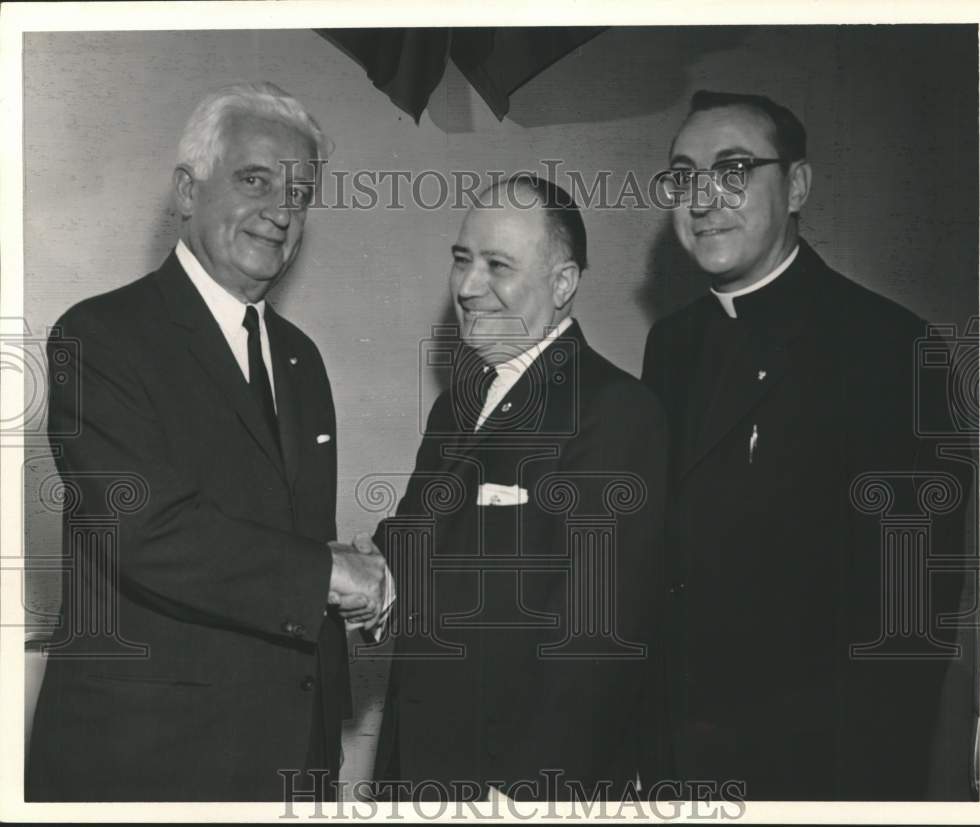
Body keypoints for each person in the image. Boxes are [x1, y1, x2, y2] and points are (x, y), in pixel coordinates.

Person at [26, 81, 387, 802]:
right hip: (148, 764)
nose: (282, 212)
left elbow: (290, 543)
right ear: (188, 192)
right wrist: (331, 572)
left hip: (291, 761)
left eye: (300, 194)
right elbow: (146, 532)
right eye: (255, 180)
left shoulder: (301, 358)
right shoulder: (98, 337)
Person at [641, 90, 972, 800]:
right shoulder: (670, 344)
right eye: (684, 176)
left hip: (814, 768)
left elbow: (907, 625)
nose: (702, 199)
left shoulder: (891, 348)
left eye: (734, 171)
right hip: (681, 759)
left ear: (796, 187)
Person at [369, 176, 670, 801]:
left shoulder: (613, 411)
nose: (467, 287)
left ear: (562, 284)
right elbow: (414, 542)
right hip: (420, 772)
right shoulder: (458, 404)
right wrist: (349, 576)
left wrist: (528, 797)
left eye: (497, 266)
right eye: (462, 260)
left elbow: (598, 639)